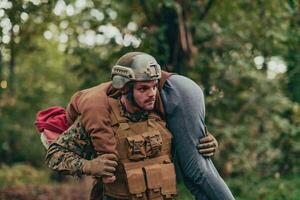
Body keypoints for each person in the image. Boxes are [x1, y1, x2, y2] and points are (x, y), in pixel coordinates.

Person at [46, 52, 234, 200]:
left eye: (153, 86)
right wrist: (89, 165)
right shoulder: (100, 118)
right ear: (125, 89)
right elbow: (55, 155)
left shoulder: (162, 114)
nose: (152, 93)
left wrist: (207, 140)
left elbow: (186, 143)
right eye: (143, 89)